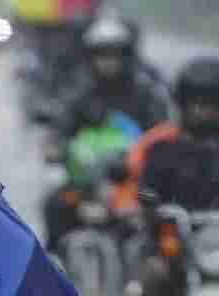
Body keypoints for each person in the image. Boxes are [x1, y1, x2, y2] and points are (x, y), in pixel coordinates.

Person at [118, 56, 219, 296]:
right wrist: (148, 207)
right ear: (182, 105)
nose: (204, 112)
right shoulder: (160, 146)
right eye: (196, 104)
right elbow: (144, 187)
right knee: (152, 279)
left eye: (212, 105)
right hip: (174, 239)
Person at [40, 15, 169, 256]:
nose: (108, 61)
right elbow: (59, 130)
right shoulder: (78, 94)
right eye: (102, 54)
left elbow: (161, 136)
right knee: (55, 204)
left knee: (160, 209)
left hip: (134, 187)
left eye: (114, 54)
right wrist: (56, 146)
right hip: (86, 185)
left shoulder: (146, 96)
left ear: (127, 55)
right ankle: (56, 267)